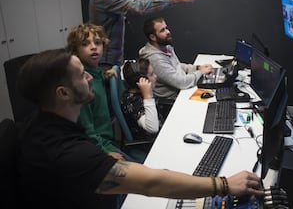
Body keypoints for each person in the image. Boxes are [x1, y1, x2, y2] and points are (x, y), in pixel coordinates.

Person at [16, 48, 264, 208]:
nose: (91, 77)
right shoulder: (65, 152)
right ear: (63, 93)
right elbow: (150, 184)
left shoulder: (43, 123)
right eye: (82, 75)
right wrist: (224, 185)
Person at [66, 24, 128, 161]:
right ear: (76, 50)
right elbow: (86, 129)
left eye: (98, 43)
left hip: (108, 140)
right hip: (101, 146)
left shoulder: (98, 72)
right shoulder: (83, 84)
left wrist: (107, 77)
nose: (94, 47)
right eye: (85, 44)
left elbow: (100, 82)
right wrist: (104, 151)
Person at [139, 16, 213, 102]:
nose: (168, 32)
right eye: (162, 30)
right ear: (152, 37)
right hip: (171, 101)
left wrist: (197, 68)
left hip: (181, 91)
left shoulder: (166, 47)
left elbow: (177, 66)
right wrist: (201, 72)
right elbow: (181, 82)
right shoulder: (155, 59)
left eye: (166, 28)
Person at [120, 58, 163, 140]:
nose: (155, 76)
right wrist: (147, 95)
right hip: (151, 143)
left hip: (162, 130)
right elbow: (153, 128)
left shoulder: (138, 93)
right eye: (151, 74)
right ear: (142, 80)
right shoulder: (132, 102)